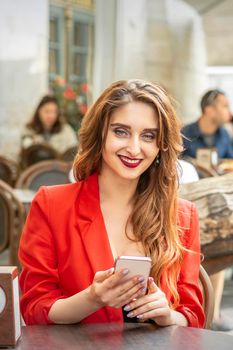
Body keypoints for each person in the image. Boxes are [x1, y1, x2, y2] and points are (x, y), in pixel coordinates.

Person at [18, 79, 205, 327]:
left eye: (148, 136)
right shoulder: (52, 205)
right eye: (121, 131)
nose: (134, 148)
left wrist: (167, 315)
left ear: (161, 146)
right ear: (100, 134)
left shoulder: (182, 216)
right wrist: (92, 298)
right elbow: (34, 309)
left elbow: (193, 317)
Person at [182, 89, 233, 332]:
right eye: (224, 106)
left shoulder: (226, 136)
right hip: (188, 204)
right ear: (208, 109)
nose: (228, 111)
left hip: (217, 204)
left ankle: (210, 315)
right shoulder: (186, 135)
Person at [182, 89, 233, 159]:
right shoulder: (184, 134)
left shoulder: (224, 134)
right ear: (209, 110)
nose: (230, 112)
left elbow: (230, 162)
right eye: (225, 106)